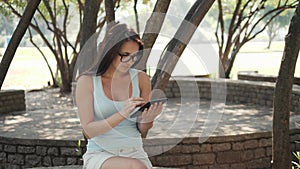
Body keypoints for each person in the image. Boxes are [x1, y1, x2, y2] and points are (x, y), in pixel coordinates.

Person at [75, 23, 163, 169]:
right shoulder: (87, 81)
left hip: (135, 152)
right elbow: (88, 131)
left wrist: (148, 120)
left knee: (136, 165)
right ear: (110, 51)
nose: (131, 61)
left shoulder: (142, 79)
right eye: (125, 55)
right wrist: (122, 113)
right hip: (101, 154)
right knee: (134, 166)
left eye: (134, 56)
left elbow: (142, 128)